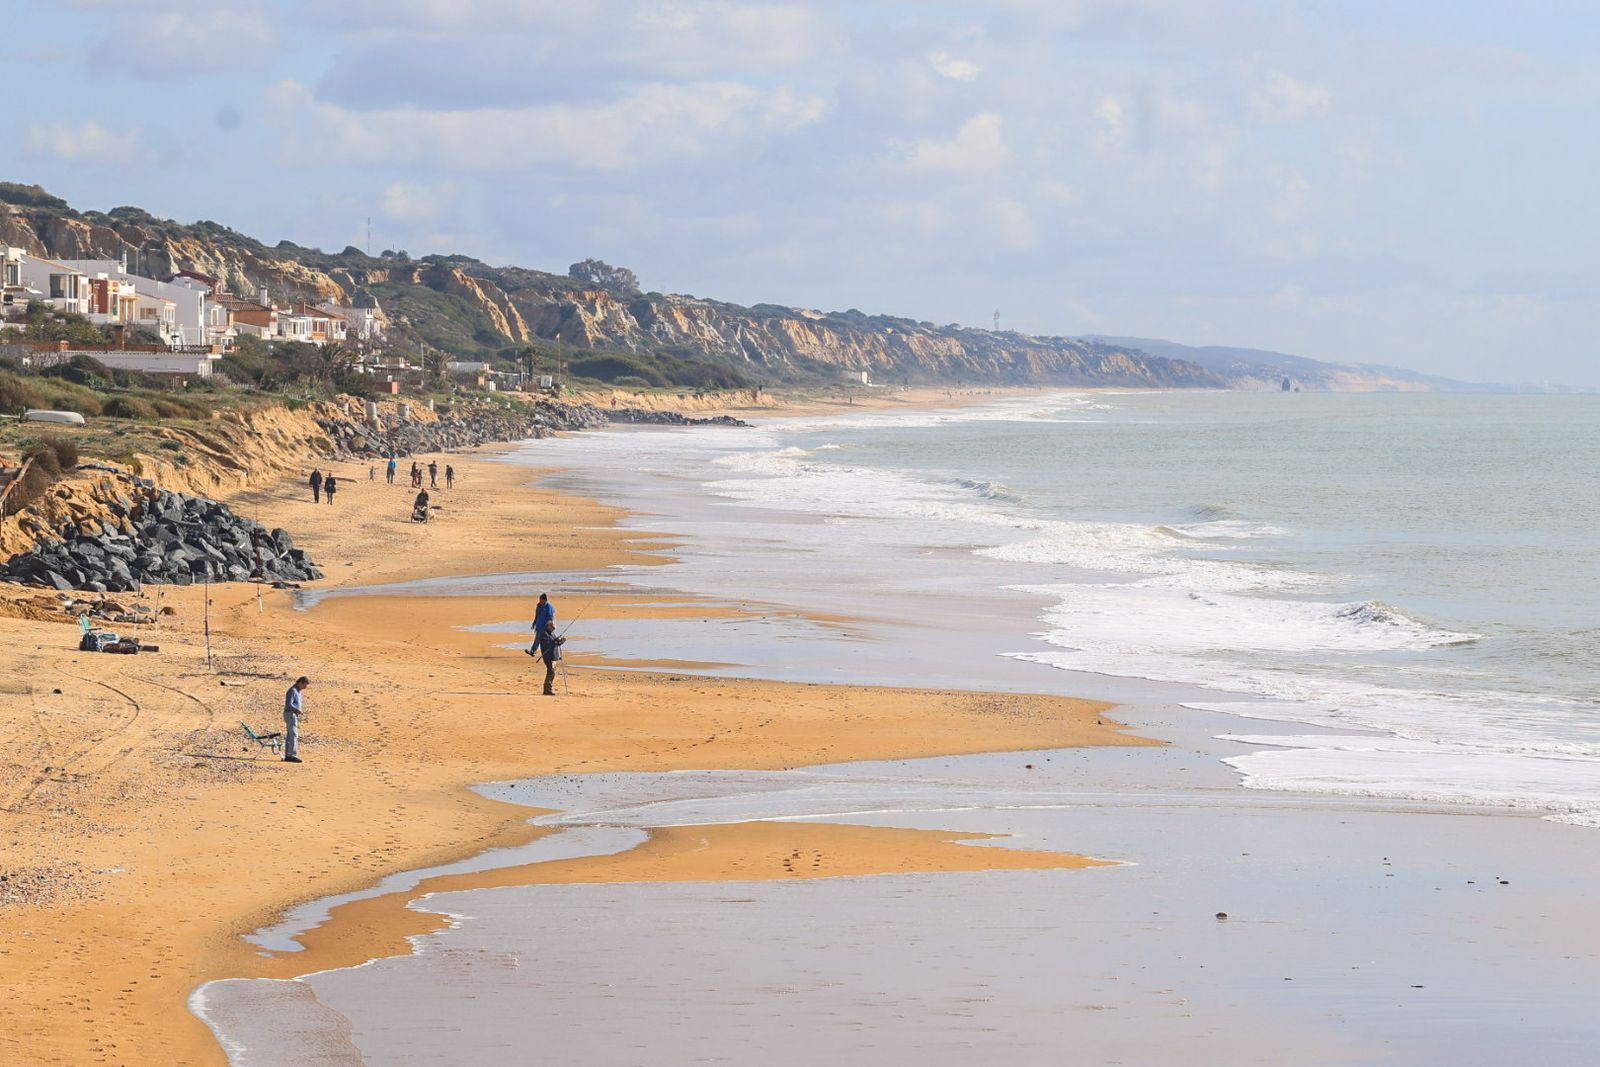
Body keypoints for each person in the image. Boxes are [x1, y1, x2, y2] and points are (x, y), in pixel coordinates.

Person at [283, 676, 309, 763]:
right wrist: (297, 710)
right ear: (300, 682)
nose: (305, 687)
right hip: (290, 714)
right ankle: (291, 755)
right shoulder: (293, 690)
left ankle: (288, 754)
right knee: (293, 734)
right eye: (304, 685)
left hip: (293, 714)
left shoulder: (298, 691)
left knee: (291, 734)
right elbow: (288, 704)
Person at [535, 621, 564, 696]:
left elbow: (556, 644)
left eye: (554, 628)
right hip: (548, 657)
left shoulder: (552, 634)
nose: (553, 629)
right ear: (548, 626)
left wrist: (561, 641)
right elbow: (547, 644)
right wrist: (555, 641)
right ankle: (547, 689)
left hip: (553, 656)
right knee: (551, 672)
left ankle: (548, 688)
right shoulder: (544, 634)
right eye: (552, 628)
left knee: (552, 672)